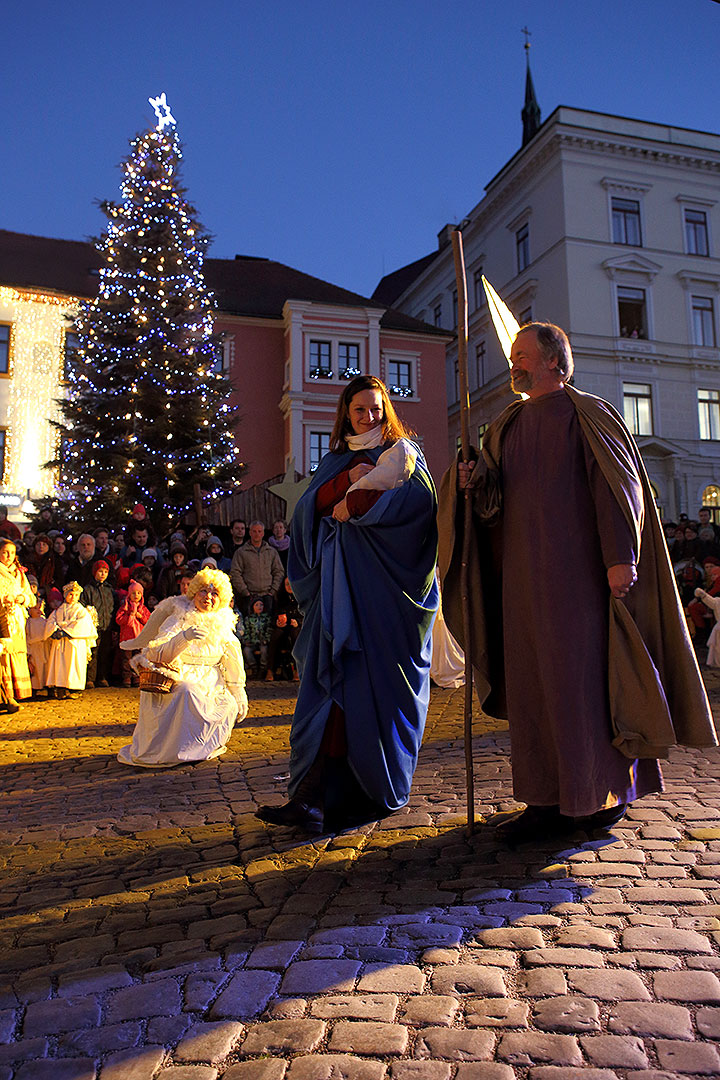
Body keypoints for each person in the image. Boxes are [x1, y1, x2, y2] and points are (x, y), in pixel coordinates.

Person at [439, 321, 716, 842]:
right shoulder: (505, 424)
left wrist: (620, 557)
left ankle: (597, 796)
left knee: (581, 687)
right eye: (513, 355)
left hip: (579, 582)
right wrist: (472, 482)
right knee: (533, 689)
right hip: (523, 582)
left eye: (522, 355)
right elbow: (493, 506)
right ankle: (546, 798)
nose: (513, 363)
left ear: (552, 361)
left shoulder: (588, 413)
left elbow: (618, 488)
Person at [256, 375, 439, 834]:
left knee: (365, 692)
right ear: (346, 414)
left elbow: (421, 513)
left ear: (386, 409)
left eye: (376, 408)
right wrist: (343, 483)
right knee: (330, 692)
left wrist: (360, 507)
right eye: (360, 409)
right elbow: (305, 515)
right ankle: (312, 798)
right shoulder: (337, 459)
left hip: (383, 604)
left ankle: (358, 792)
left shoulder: (407, 458)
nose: (369, 416)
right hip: (339, 598)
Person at [116, 567, 248, 768]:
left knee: (227, 703)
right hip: (179, 673)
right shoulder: (178, 616)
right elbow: (155, 652)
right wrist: (183, 638)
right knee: (188, 691)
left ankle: (202, 746)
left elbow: (233, 661)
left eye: (214, 593)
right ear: (194, 593)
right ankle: (179, 749)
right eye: (203, 591)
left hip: (212, 680)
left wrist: (239, 692)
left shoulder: (223, 622)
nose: (208, 597)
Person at [44, 581, 97, 699]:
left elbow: (83, 624)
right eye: (70, 594)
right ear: (65, 595)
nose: (73, 597)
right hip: (61, 643)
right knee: (60, 665)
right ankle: (60, 686)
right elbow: (51, 621)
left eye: (76, 595)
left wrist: (66, 631)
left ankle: (74, 688)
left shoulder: (81, 610)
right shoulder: (58, 610)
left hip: (74, 642)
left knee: (73, 664)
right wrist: (54, 631)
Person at [0, 538, 34, 709]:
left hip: (17, 621)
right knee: (4, 659)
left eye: (12, 553)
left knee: (16, 655)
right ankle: (6, 696)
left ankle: (14, 693)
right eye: (5, 552)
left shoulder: (18, 573)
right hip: (3, 619)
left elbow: (30, 597)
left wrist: (22, 598)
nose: (8, 556)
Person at [230, 520, 284, 614]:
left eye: (259, 531)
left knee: (268, 625)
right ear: (250, 532)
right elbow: (235, 573)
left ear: (263, 533)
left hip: (268, 595)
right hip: (249, 596)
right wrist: (244, 591)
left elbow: (279, 571)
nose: (257, 534)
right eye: (254, 531)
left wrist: (273, 590)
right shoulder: (241, 552)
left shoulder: (271, 552)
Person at [81, 560, 116, 687]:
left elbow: (113, 606)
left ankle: (102, 676)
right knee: (93, 652)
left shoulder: (109, 590)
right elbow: (83, 606)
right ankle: (90, 678)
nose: (103, 574)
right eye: (100, 571)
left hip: (107, 625)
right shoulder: (88, 589)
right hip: (93, 626)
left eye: (105, 572)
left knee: (105, 652)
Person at [116, 581, 150, 687]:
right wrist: (129, 616)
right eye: (133, 593)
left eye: (138, 593)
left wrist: (141, 617)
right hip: (127, 637)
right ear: (129, 595)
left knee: (138, 657)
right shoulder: (125, 608)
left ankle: (137, 675)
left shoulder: (143, 609)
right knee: (127, 658)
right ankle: (127, 676)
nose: (136, 596)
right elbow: (119, 619)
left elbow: (149, 620)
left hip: (139, 637)